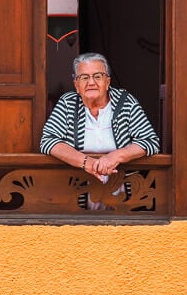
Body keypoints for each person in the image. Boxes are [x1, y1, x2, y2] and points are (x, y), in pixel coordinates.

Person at [40, 53, 160, 208]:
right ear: (76, 84)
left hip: (123, 193)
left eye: (97, 76)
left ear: (107, 81)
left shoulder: (125, 102)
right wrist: (86, 162)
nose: (91, 82)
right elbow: (48, 141)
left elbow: (150, 141)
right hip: (78, 193)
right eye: (84, 77)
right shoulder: (67, 103)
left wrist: (115, 156)